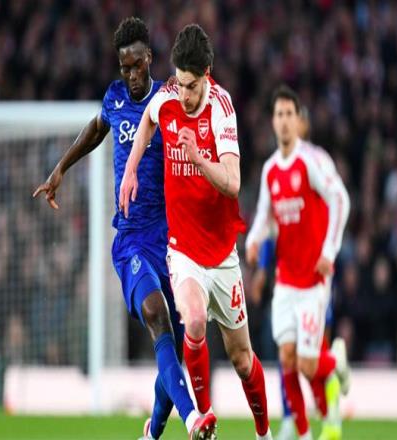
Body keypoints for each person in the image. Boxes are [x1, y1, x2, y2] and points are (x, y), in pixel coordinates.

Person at [33, 17, 214, 440]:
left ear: (150, 58)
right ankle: (193, 419)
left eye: (136, 65)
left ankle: (152, 433)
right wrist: (60, 169)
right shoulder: (114, 98)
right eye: (124, 67)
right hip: (131, 239)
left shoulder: (168, 101)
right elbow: (97, 128)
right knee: (156, 315)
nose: (130, 75)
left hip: (172, 239)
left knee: (179, 340)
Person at [120, 24, 272, 440]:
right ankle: (203, 421)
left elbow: (233, 183)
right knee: (194, 320)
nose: (184, 94)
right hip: (182, 248)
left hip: (222, 255)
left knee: (242, 359)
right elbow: (148, 122)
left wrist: (197, 158)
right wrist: (131, 169)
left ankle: (264, 434)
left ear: (206, 74)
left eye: (191, 86)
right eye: (180, 83)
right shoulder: (168, 97)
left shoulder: (221, 108)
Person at [246, 85, 351, 440]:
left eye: (289, 114)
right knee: (287, 359)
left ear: (298, 120)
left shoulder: (312, 161)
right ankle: (303, 434)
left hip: (313, 281)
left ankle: (336, 363)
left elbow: (341, 200)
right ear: (273, 122)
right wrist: (253, 240)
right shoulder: (270, 170)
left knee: (308, 363)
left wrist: (329, 252)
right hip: (286, 280)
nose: (284, 121)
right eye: (279, 114)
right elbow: (264, 215)